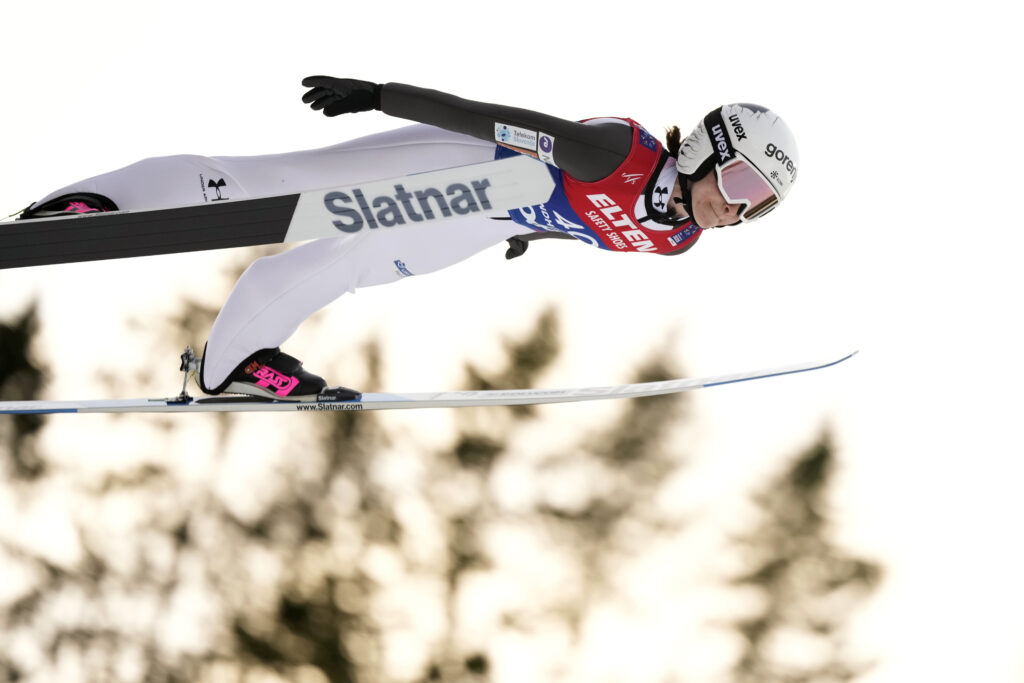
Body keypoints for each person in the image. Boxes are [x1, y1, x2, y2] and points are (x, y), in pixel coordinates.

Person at [18, 77, 799, 401]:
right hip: (472, 160)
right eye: (739, 185)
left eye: (758, 206)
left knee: (347, 262)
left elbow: (589, 224)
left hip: (486, 221)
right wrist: (381, 93)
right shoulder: (618, 152)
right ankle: (95, 207)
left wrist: (534, 235)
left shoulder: (675, 241)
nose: (736, 210)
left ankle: (231, 363)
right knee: (272, 185)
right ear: (707, 149)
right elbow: (495, 119)